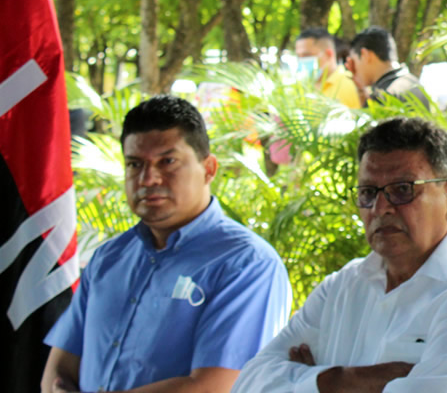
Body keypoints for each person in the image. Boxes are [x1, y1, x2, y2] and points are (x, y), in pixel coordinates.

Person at [232, 117, 447, 393]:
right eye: (367, 193)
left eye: (403, 189)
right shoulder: (341, 288)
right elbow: (246, 384)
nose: (381, 208)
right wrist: (339, 380)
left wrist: (307, 381)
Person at [41, 95, 292, 393]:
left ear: (209, 168)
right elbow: (60, 367)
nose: (148, 179)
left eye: (167, 161)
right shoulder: (109, 257)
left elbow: (215, 386)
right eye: (135, 164)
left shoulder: (246, 263)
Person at [345, 27, 430, 109]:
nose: (353, 69)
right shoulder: (413, 82)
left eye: (354, 62)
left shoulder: (384, 96)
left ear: (365, 55)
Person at [295, 27, 362, 108]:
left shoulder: (353, 84)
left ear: (328, 54)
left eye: (307, 55)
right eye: (299, 56)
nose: (302, 60)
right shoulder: (300, 88)